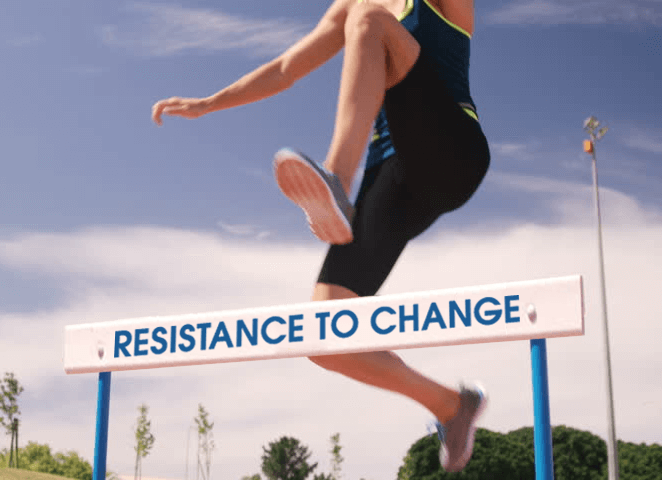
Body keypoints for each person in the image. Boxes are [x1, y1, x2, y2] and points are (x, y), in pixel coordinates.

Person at [152, 0, 490, 472]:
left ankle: (336, 178)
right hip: (394, 178)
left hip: (452, 151)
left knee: (371, 22)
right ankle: (452, 407)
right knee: (324, 336)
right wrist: (210, 102)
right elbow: (287, 68)